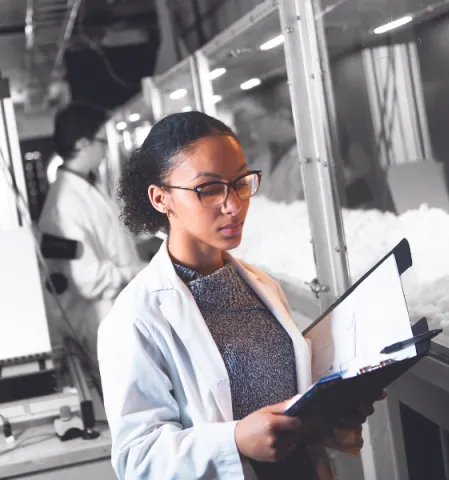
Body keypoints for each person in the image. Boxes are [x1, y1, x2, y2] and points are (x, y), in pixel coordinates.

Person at [98, 111, 383, 479]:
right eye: (210, 189)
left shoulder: (262, 287)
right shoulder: (135, 319)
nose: (233, 204)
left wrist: (332, 412)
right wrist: (233, 442)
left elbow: (288, 404)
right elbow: (137, 459)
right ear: (160, 198)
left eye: (240, 182)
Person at [39, 103, 145, 361]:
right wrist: (138, 271)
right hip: (100, 320)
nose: (105, 148)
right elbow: (88, 280)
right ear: (81, 144)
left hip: (120, 311)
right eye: (101, 141)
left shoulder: (87, 184)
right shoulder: (63, 204)